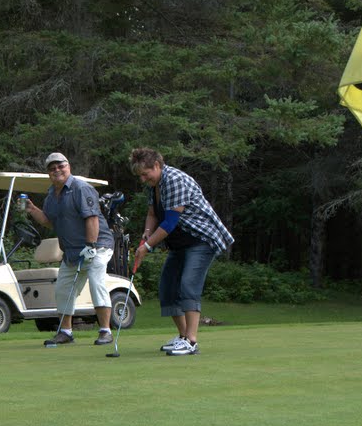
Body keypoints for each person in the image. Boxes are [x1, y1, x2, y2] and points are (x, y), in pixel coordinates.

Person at [129, 148, 234, 356]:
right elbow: (152, 213)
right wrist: (147, 234)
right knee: (167, 288)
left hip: (201, 240)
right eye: (139, 175)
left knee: (188, 285)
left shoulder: (175, 179)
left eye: (145, 174)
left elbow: (169, 222)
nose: (142, 179)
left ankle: (192, 341)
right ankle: (183, 336)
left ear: (157, 166)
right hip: (179, 244)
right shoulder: (154, 185)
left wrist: (146, 247)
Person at [24, 152, 115, 346]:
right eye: (52, 168)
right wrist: (32, 210)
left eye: (60, 166)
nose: (57, 170)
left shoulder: (81, 188)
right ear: (48, 172)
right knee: (63, 289)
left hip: (97, 246)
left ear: (68, 166)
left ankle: (105, 331)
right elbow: (50, 222)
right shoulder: (50, 196)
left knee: (96, 283)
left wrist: (90, 246)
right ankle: (66, 332)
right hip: (72, 252)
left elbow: (91, 218)